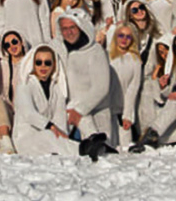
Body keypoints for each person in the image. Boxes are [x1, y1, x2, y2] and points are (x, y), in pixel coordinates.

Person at [57, 11, 116, 157]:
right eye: (64, 29)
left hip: (96, 110)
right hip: (70, 113)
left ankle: (95, 139)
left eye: (72, 28)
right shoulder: (61, 50)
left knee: (104, 156)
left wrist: (79, 110)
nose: (68, 32)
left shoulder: (95, 52)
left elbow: (101, 88)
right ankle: (92, 138)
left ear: (81, 27)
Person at [12, 44, 81, 157]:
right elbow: (29, 113)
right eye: (39, 62)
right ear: (33, 64)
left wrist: (62, 134)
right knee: (49, 136)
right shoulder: (24, 86)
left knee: (53, 134)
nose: (43, 66)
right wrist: (51, 127)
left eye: (47, 63)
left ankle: (93, 146)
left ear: (54, 65)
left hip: (50, 137)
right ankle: (82, 150)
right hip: (26, 138)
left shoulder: (57, 88)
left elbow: (60, 116)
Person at [109, 23, 143, 142]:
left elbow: (133, 89)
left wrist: (128, 116)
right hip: (106, 111)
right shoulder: (106, 56)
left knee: (125, 148)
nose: (124, 39)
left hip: (122, 112)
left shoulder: (135, 60)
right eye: (121, 35)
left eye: (128, 37)